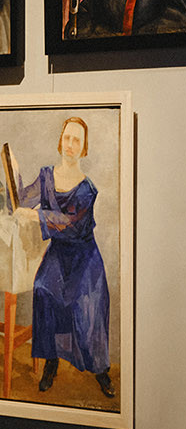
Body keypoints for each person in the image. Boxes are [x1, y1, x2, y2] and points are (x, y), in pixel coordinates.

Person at [12, 117, 113, 400]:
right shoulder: (46, 176)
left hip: (84, 257)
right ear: (60, 141)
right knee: (43, 289)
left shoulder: (87, 189)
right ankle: (51, 361)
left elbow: (72, 226)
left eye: (77, 140)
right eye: (67, 138)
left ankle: (100, 370)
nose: (70, 144)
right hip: (58, 255)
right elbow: (22, 199)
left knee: (87, 303)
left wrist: (36, 216)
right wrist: (14, 173)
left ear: (84, 148)